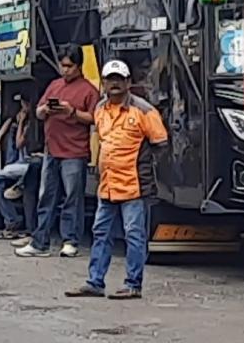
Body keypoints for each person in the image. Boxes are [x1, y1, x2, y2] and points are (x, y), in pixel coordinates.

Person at [65, 59, 168, 300]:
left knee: (134, 235)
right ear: (103, 83)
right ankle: (95, 282)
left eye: (119, 79)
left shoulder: (143, 111)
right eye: (110, 79)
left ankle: (133, 284)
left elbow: (160, 144)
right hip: (108, 185)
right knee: (100, 233)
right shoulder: (100, 109)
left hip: (133, 186)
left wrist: (143, 169)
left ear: (128, 83)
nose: (114, 84)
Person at [15, 45, 99, 258]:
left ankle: (70, 240)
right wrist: (45, 110)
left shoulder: (89, 90)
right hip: (51, 150)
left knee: (73, 197)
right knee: (47, 197)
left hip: (75, 152)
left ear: (79, 66)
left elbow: (94, 119)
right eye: (62, 66)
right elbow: (39, 112)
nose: (64, 70)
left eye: (69, 66)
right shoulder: (54, 85)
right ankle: (40, 241)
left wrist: (72, 112)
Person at [0, 92, 39, 239]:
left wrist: (22, 123)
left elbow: (18, 143)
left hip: (26, 163)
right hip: (18, 162)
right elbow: (9, 122)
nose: (23, 107)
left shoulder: (32, 123)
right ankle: (18, 185)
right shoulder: (18, 117)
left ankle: (12, 219)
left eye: (25, 104)